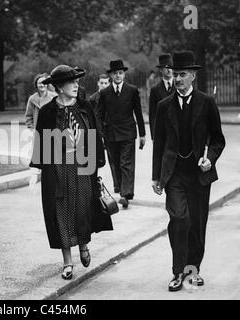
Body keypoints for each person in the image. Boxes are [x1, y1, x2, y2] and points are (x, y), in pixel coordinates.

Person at [30, 65, 113, 280]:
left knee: (82, 209)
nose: (77, 85)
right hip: (57, 169)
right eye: (71, 82)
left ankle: (83, 244)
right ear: (59, 87)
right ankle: (67, 262)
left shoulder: (84, 107)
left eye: (77, 82)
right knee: (61, 212)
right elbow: (41, 141)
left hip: (83, 167)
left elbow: (95, 135)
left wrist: (97, 160)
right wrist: (38, 170)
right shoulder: (48, 111)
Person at [152, 51, 225, 292]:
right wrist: (156, 176)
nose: (177, 79)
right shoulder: (164, 106)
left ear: (193, 76)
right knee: (179, 219)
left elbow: (217, 140)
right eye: (175, 74)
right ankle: (177, 271)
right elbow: (159, 144)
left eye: (182, 74)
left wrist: (210, 159)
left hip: (198, 174)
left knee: (196, 223)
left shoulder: (207, 103)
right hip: (173, 174)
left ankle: (193, 269)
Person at [96, 60, 146, 208]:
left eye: (120, 73)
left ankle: (126, 194)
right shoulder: (105, 93)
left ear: (124, 74)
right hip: (110, 134)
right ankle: (120, 187)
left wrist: (142, 134)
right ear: (111, 75)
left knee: (126, 163)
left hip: (128, 133)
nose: (118, 76)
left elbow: (138, 112)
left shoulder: (132, 90)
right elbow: (99, 114)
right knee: (116, 163)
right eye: (115, 73)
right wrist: (100, 133)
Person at [149, 54, 175, 140]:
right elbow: (152, 114)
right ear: (160, 70)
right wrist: (154, 135)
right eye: (165, 67)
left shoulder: (180, 86)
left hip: (177, 131)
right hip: (162, 132)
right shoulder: (155, 90)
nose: (169, 70)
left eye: (170, 67)